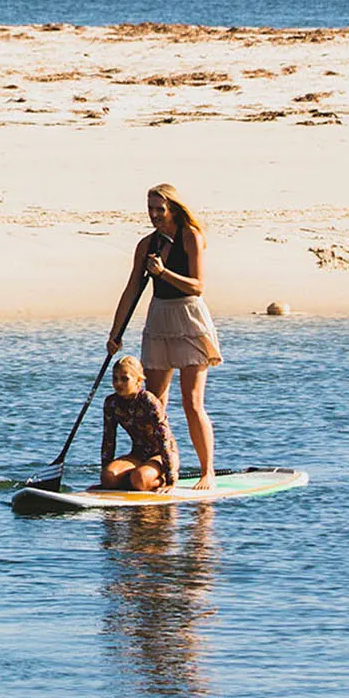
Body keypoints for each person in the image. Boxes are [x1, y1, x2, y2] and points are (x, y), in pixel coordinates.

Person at [105, 182, 222, 489]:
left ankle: (207, 471)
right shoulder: (147, 244)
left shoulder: (191, 237)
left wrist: (164, 273)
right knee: (152, 402)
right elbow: (132, 289)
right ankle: (155, 463)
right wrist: (115, 334)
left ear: (172, 209)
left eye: (160, 209)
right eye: (150, 209)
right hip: (159, 318)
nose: (154, 215)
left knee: (192, 401)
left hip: (189, 318)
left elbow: (197, 286)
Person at [99, 356, 179, 493]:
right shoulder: (111, 403)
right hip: (138, 454)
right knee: (108, 477)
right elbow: (108, 439)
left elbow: (164, 439)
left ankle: (159, 479)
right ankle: (134, 479)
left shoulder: (148, 401)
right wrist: (105, 483)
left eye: (124, 379)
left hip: (163, 455)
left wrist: (170, 478)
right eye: (115, 378)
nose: (118, 383)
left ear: (138, 381)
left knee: (140, 479)